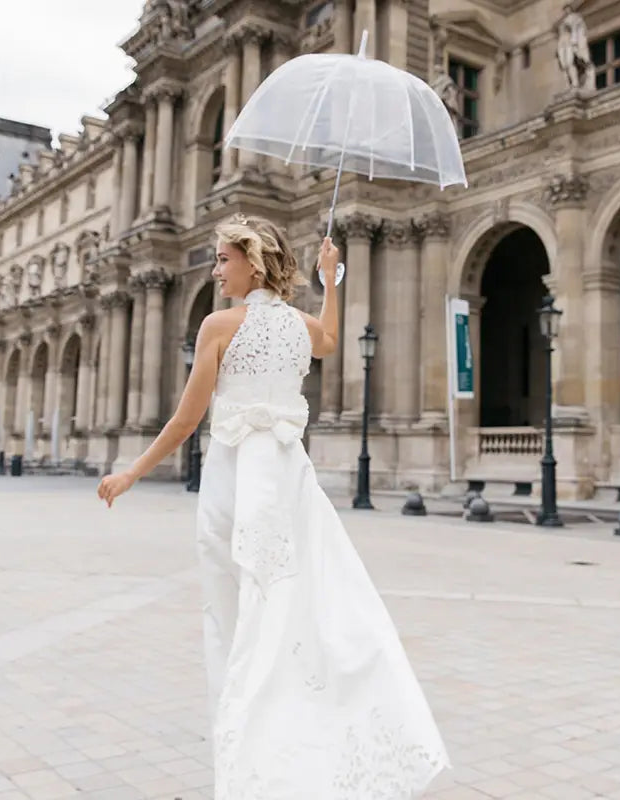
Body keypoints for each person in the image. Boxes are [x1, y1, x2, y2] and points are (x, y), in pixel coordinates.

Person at [97, 214, 450, 798]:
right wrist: (330, 280)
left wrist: (134, 470)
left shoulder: (220, 325)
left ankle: (254, 741)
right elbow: (332, 342)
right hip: (287, 476)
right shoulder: (299, 326)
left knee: (238, 611)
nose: (215, 270)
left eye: (222, 260)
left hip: (237, 475)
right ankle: (301, 727)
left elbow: (188, 418)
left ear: (252, 262)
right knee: (299, 602)